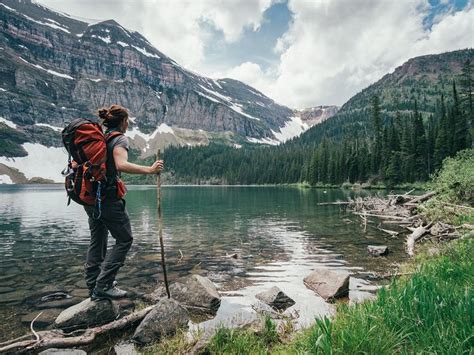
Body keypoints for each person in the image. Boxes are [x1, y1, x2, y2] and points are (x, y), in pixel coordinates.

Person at [83, 104, 163, 300]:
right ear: (123, 121)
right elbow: (121, 164)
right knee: (125, 239)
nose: (128, 124)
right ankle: (104, 284)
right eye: (128, 120)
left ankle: (93, 284)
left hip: (91, 198)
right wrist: (150, 170)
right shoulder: (119, 138)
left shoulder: (100, 138)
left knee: (98, 239)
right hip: (108, 199)